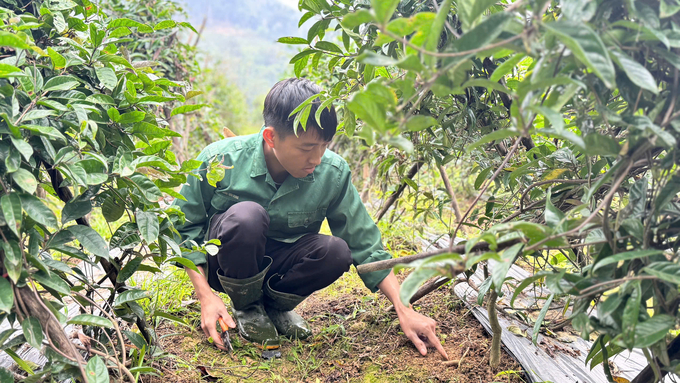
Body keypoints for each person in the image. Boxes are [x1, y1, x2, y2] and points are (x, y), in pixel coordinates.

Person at [173, 78, 448, 359]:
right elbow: (184, 227)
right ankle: (247, 308)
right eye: (306, 148)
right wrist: (206, 296)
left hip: (280, 265)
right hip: (228, 265)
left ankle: (275, 307)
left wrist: (405, 309)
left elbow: (365, 243)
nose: (316, 158)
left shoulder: (332, 172)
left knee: (336, 251)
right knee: (247, 217)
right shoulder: (221, 159)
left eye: (324, 146)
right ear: (271, 137)